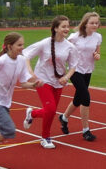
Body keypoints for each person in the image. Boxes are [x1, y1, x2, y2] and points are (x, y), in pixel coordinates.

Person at [0, 32, 40, 168]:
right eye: (19, 45)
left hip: (5, 101)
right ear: (9, 46)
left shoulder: (21, 61)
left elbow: (22, 83)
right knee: (9, 130)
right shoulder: (1, 61)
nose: (22, 47)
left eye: (23, 44)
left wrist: (33, 85)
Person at [23, 15, 79, 149]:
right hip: (43, 80)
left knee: (51, 111)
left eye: (68, 26)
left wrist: (66, 77)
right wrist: (33, 75)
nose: (67, 29)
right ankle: (45, 137)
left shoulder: (70, 47)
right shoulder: (45, 43)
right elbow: (25, 55)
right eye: (63, 26)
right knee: (51, 109)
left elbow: (73, 66)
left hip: (58, 82)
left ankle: (32, 113)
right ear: (55, 28)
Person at [58, 12, 102, 141]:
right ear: (85, 23)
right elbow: (64, 50)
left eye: (96, 23)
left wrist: (97, 56)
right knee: (85, 97)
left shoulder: (98, 37)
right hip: (75, 70)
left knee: (78, 99)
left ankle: (64, 117)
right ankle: (86, 130)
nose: (94, 25)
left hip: (88, 70)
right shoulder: (74, 37)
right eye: (92, 23)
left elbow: (97, 53)